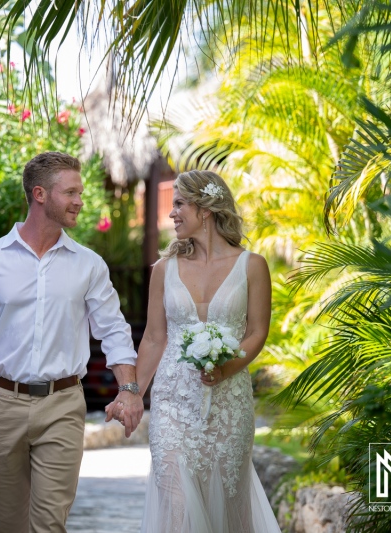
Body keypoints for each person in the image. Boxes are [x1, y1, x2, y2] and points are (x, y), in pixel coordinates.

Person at [0, 151, 144, 533]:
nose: (80, 201)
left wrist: (130, 389)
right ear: (40, 194)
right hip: (3, 404)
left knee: (49, 524)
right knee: (9, 523)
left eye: (79, 192)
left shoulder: (88, 265)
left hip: (63, 404)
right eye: (70, 192)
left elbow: (114, 330)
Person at [108, 170, 281, 532]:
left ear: (206, 210)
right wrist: (130, 394)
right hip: (173, 404)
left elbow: (256, 333)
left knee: (229, 509)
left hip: (229, 404)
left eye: (180, 205)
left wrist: (226, 368)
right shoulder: (163, 269)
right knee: (176, 505)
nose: (172, 214)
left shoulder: (253, 266)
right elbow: (155, 338)